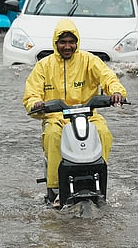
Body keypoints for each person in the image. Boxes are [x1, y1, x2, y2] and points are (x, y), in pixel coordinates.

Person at [22, 18, 127, 205]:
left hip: (89, 115)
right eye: (63, 42)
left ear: (77, 43)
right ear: (56, 43)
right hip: (56, 117)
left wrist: (116, 93)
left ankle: (100, 180)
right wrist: (37, 103)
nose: (67, 46)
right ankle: (55, 189)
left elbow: (108, 77)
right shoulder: (43, 66)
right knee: (53, 134)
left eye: (71, 42)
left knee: (103, 132)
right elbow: (31, 94)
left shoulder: (89, 61)